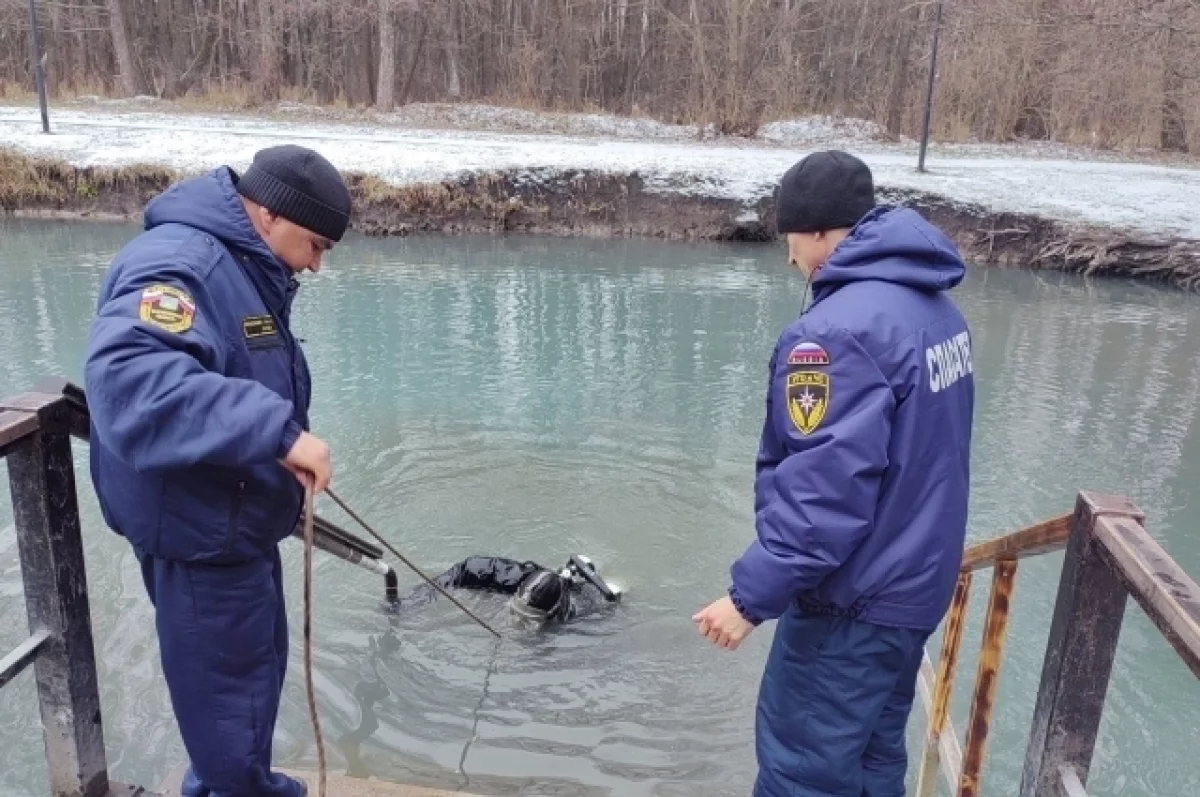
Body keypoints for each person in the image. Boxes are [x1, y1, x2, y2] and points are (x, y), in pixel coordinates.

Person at [692, 150, 975, 797]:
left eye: (791, 237)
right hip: (913, 590)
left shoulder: (833, 337)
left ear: (817, 230)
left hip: (853, 602)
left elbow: (824, 495)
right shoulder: (937, 312)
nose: (790, 257)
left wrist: (747, 598)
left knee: (804, 771)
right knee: (874, 761)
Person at [83, 145, 353, 797]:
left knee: (247, 680)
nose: (316, 265)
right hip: (202, 533)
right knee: (229, 701)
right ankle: (238, 786)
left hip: (233, 520)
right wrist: (279, 432)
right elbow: (131, 382)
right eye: (315, 244)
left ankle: (231, 781)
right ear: (267, 214)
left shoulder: (242, 266)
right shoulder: (181, 266)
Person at [394, 554, 623, 629]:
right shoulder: (509, 577)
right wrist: (416, 601)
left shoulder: (580, 610)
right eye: (517, 610)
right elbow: (465, 569)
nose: (518, 622)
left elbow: (615, 600)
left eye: (531, 620)